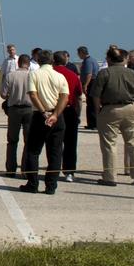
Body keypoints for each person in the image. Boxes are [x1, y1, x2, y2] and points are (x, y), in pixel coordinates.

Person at [89, 46, 134, 186]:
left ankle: (110, 176)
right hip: (130, 108)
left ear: (108, 59)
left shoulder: (104, 73)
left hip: (110, 109)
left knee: (109, 144)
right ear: (125, 59)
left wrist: (98, 110)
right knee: (133, 143)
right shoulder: (133, 73)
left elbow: (95, 95)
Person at [21, 50, 69, 194]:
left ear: (38, 60)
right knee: (55, 152)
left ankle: (33, 183)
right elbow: (64, 97)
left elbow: (33, 94)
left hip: (39, 115)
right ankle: (51, 185)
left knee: (33, 151)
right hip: (57, 115)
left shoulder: (34, 74)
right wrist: (55, 114)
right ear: (52, 61)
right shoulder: (59, 76)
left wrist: (43, 112)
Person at [0, 54, 34, 178]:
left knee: (12, 141)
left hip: (14, 109)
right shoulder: (32, 75)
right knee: (28, 141)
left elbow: (3, 94)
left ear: (18, 63)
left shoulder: (10, 76)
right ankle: (25, 169)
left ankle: (10, 169)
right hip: (29, 109)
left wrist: (12, 95)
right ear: (28, 64)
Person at [52, 51, 84, 182]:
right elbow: (79, 97)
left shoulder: (50, 75)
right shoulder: (73, 75)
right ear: (65, 61)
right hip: (70, 110)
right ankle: (69, 171)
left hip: (53, 110)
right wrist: (78, 113)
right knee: (70, 142)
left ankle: (53, 169)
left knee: (53, 142)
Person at [79, 47, 100, 130]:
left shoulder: (88, 61)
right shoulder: (92, 60)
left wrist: (85, 85)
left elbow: (89, 74)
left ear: (81, 53)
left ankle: (93, 124)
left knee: (91, 104)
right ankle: (92, 123)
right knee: (91, 104)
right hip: (92, 83)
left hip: (91, 83)